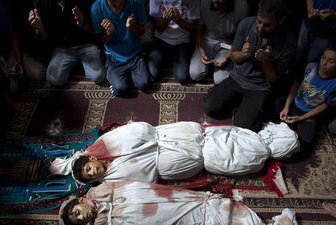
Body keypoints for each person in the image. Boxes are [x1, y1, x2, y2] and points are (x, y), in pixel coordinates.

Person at [50, 121, 299, 185]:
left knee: (221, 144)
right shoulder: (110, 179)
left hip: (171, 137)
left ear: (92, 159)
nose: (93, 173)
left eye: (89, 168)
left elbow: (137, 132)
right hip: (171, 161)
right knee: (226, 158)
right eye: (91, 176)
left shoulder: (105, 145)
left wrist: (65, 165)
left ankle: (265, 145)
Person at [203, 0, 296, 132]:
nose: (260, 28)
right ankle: (241, 105)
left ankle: (247, 107)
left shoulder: (289, 42)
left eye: (267, 25)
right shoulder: (246, 24)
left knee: (244, 127)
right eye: (259, 21)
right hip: (237, 77)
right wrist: (244, 54)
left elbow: (273, 79)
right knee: (210, 108)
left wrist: (266, 61)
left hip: (259, 87)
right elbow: (234, 57)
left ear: (280, 21)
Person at [59, 180, 299, 225]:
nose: (83, 217)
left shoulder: (104, 192)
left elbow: (142, 188)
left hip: (173, 203)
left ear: (82, 201)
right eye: (79, 220)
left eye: (78, 212)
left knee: (220, 210)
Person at [278, 41, 336, 146]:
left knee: (306, 141)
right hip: (295, 103)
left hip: (309, 113)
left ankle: (297, 122)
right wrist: (286, 107)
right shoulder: (311, 66)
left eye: (331, 61)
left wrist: (301, 118)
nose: (324, 63)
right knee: (273, 106)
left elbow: (325, 106)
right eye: (323, 57)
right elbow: (296, 84)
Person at [28, 0, 105, 87]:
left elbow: (96, 32)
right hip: (63, 49)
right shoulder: (39, 3)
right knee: (53, 80)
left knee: (98, 77)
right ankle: (75, 64)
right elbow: (47, 41)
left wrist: (83, 22)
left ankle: (78, 64)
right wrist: (40, 29)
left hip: (87, 45)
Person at [91, 0, 152, 96]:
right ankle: (115, 74)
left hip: (134, 54)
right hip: (114, 56)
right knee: (120, 89)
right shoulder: (97, 7)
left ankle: (126, 76)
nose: (119, 4)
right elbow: (101, 40)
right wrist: (108, 33)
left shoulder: (136, 2)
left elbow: (142, 31)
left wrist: (133, 27)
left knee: (144, 84)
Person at [189, 0, 249, 84]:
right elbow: (199, 30)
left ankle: (215, 67)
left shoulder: (241, 6)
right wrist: (201, 50)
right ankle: (211, 66)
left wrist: (227, 57)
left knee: (220, 81)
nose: (214, 1)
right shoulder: (204, 2)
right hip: (207, 41)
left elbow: (242, 38)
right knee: (195, 74)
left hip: (228, 46)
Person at [147, 0, 199, 84]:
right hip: (161, 38)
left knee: (182, 78)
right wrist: (167, 19)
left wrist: (177, 19)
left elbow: (191, 27)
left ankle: (170, 58)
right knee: (152, 75)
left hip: (182, 41)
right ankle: (167, 58)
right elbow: (159, 28)